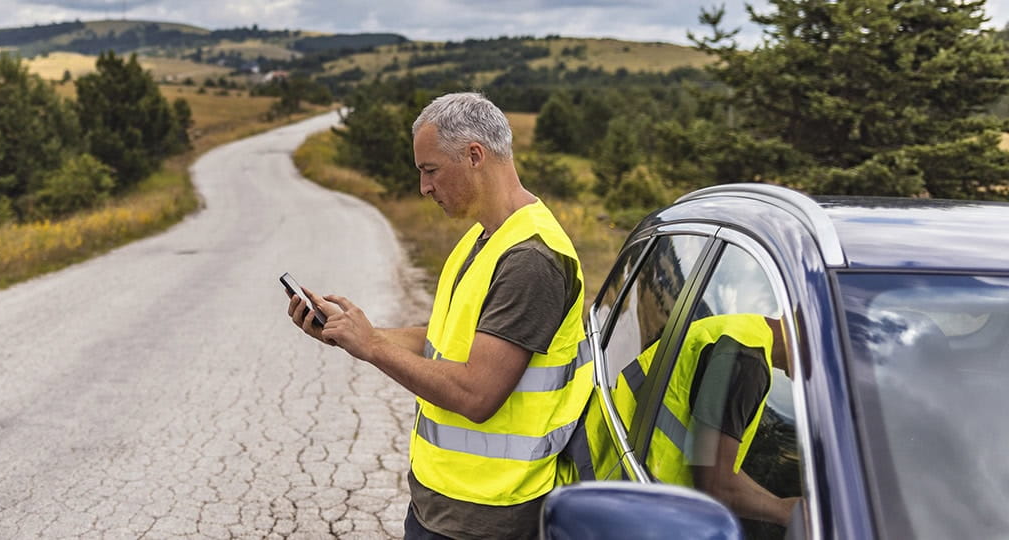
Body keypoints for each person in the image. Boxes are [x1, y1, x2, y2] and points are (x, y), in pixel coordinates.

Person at [284, 92, 592, 539]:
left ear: (473, 156)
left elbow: (476, 395)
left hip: (489, 515)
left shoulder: (532, 258)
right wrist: (350, 332)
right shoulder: (485, 236)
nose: (424, 188)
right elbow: (446, 337)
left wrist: (371, 347)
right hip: (442, 502)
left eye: (430, 171)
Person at [575, 313, 801, 526]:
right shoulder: (746, 363)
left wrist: (783, 504)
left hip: (603, 476)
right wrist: (783, 512)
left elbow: (718, 466)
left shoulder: (745, 332)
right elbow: (716, 485)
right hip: (607, 499)